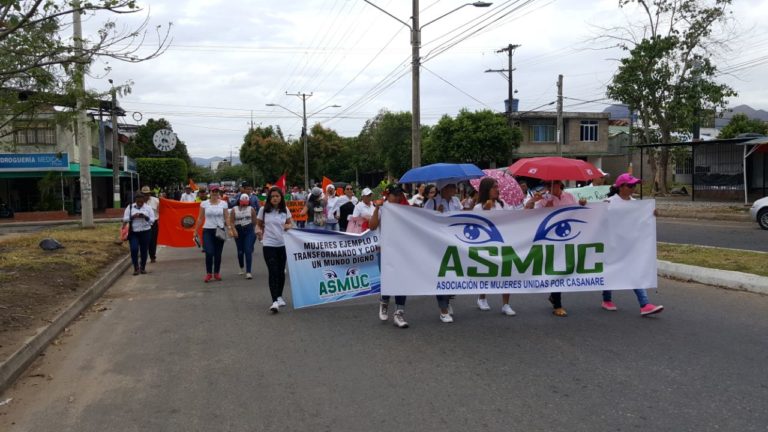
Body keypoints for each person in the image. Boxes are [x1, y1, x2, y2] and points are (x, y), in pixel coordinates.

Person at [601, 173, 664, 316]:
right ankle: (606, 299)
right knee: (610, 271)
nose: (633, 188)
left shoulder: (637, 204)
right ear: (620, 187)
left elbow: (641, 222)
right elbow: (598, 221)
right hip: (612, 245)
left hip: (630, 246)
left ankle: (645, 304)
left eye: (634, 185)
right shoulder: (608, 202)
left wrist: (652, 214)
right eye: (630, 185)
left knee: (633, 271)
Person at [526, 180, 587, 317]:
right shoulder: (543, 199)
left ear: (560, 184)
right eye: (548, 185)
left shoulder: (569, 197)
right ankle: (557, 304)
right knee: (556, 268)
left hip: (568, 237)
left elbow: (577, 212)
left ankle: (554, 297)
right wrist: (545, 206)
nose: (551, 187)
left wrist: (582, 204)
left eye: (554, 184)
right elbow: (531, 215)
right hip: (550, 239)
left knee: (564, 267)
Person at [473, 177, 517, 316]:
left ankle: (506, 304)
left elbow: (514, 215)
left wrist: (530, 206)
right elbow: (477, 226)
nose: (497, 190)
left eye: (498, 187)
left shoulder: (502, 204)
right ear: (486, 190)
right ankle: (482, 298)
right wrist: (486, 211)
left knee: (506, 273)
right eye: (494, 187)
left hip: (503, 243)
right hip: (487, 244)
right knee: (486, 271)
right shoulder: (478, 207)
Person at [369, 184, 409, 328]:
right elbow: (372, 226)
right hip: (385, 251)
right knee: (387, 279)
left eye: (400, 194)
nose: (398, 197)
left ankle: (399, 313)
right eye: (395, 194)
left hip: (402, 251)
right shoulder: (382, 208)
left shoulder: (404, 209)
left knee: (402, 281)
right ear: (388, 195)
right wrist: (377, 208)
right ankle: (384, 302)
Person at [424, 181, 463, 323]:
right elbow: (423, 221)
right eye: (452, 186)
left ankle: (447, 300)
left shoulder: (456, 201)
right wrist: (436, 214)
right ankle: (443, 309)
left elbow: (461, 215)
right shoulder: (432, 202)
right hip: (438, 244)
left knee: (453, 274)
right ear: (444, 188)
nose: (455, 189)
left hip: (454, 241)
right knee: (442, 275)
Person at [256, 187, 293, 313]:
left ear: (281, 197)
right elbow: (258, 224)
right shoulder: (263, 210)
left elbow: (290, 223)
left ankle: (279, 296)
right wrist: (258, 231)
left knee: (281, 272)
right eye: (272, 196)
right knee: (273, 271)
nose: (275, 198)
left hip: (282, 244)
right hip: (269, 244)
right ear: (269, 198)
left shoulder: (285, 210)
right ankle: (274, 301)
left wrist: (287, 226)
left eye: (277, 196)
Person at [193, 187, 231, 282]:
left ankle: (216, 273)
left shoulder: (223, 203)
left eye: (216, 191)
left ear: (219, 193)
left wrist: (230, 228)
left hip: (220, 230)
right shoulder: (204, 203)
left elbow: (227, 217)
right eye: (213, 191)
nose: (214, 193)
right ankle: (209, 273)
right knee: (209, 252)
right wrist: (196, 230)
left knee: (218, 254)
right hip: (208, 230)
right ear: (210, 192)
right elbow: (200, 218)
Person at [122, 193, 155, 276]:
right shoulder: (130, 207)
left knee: (144, 251)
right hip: (134, 232)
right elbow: (124, 218)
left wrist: (145, 217)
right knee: (134, 249)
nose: (140, 203)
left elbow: (152, 220)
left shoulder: (148, 208)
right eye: (138, 201)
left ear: (144, 200)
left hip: (145, 231)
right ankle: (136, 267)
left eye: (141, 201)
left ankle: (142, 267)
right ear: (135, 201)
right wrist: (133, 216)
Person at [229, 193, 258, 279]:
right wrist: (233, 230)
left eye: (246, 202)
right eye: (243, 202)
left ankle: (248, 271)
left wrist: (256, 232)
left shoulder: (251, 209)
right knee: (240, 252)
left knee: (248, 250)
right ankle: (241, 267)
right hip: (238, 230)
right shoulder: (234, 209)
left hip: (249, 230)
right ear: (239, 201)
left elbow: (255, 222)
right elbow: (231, 222)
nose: (244, 204)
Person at [141, 185, 161, 263]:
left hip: (153, 223)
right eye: (144, 194)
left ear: (150, 194)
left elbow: (161, 211)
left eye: (147, 194)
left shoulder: (156, 200)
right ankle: (144, 257)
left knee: (153, 240)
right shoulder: (139, 201)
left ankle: (152, 256)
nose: (146, 195)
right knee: (144, 241)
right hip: (143, 223)